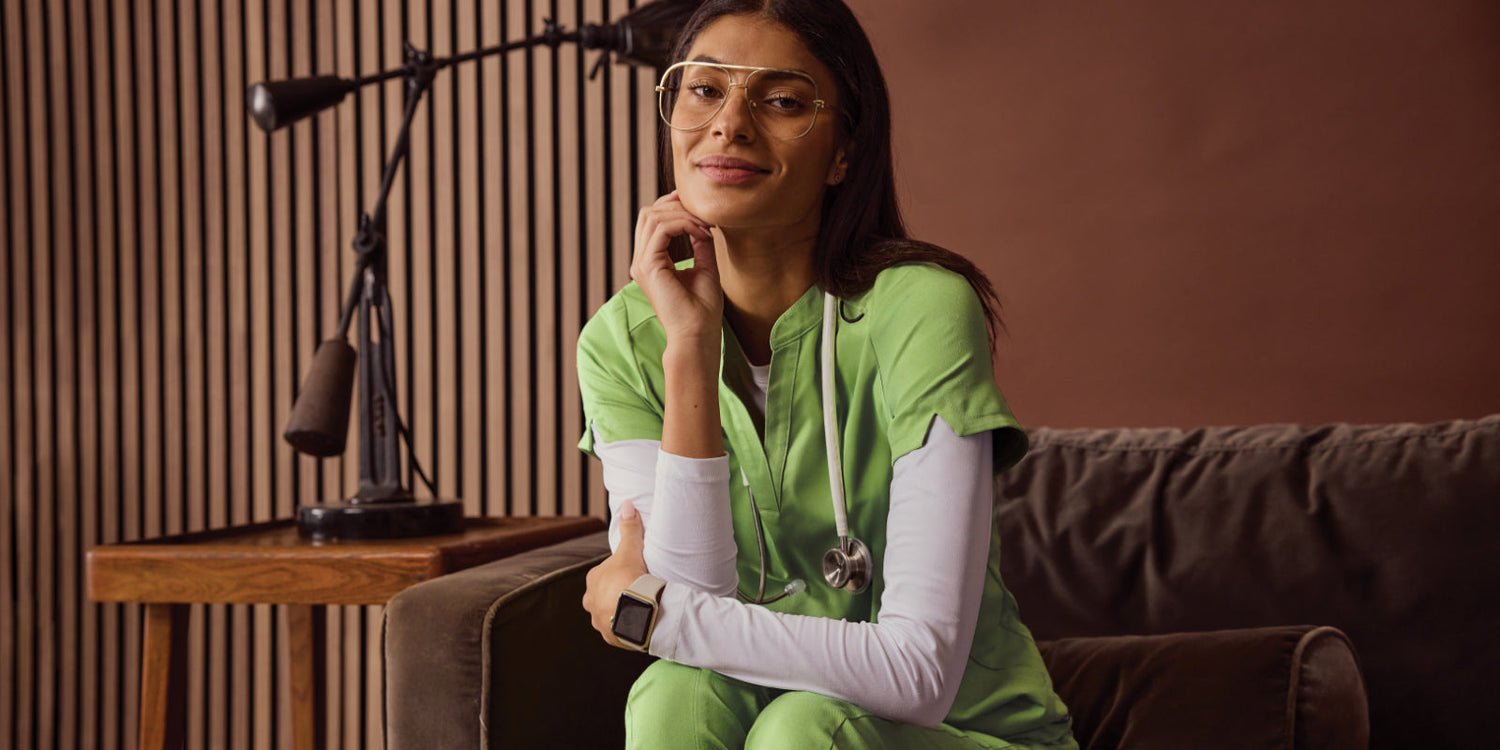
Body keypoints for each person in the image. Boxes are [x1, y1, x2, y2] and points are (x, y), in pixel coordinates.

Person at [578, 0, 1076, 747]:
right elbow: (693, 607)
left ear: (844, 151)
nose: (730, 124)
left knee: (802, 729)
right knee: (671, 696)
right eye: (704, 90)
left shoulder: (923, 309)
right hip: (764, 716)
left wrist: (653, 613)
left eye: (780, 100)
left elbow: (920, 673)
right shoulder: (623, 340)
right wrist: (689, 343)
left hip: (964, 732)